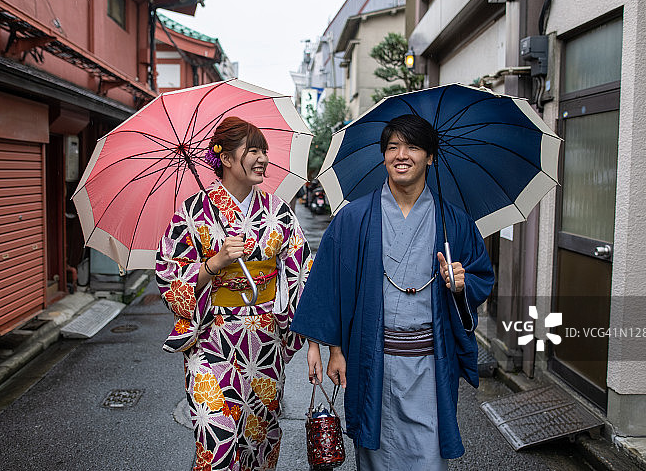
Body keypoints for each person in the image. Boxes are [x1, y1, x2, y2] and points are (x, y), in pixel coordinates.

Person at [290, 114, 494, 470]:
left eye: (412, 146)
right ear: (383, 156)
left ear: (430, 156)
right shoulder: (354, 217)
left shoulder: (454, 221)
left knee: (429, 457)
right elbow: (330, 285)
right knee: (375, 453)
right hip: (372, 359)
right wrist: (331, 350)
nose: (401, 155)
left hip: (430, 362)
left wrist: (460, 284)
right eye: (392, 147)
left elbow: (481, 278)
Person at [155, 116, 313, 471]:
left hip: (264, 341)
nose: (263, 160)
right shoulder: (193, 213)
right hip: (212, 340)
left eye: (265, 152)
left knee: (260, 440)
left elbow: (302, 272)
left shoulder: (279, 213)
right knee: (217, 439)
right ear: (225, 158)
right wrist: (214, 263)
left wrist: (311, 337)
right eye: (253, 151)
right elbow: (168, 273)